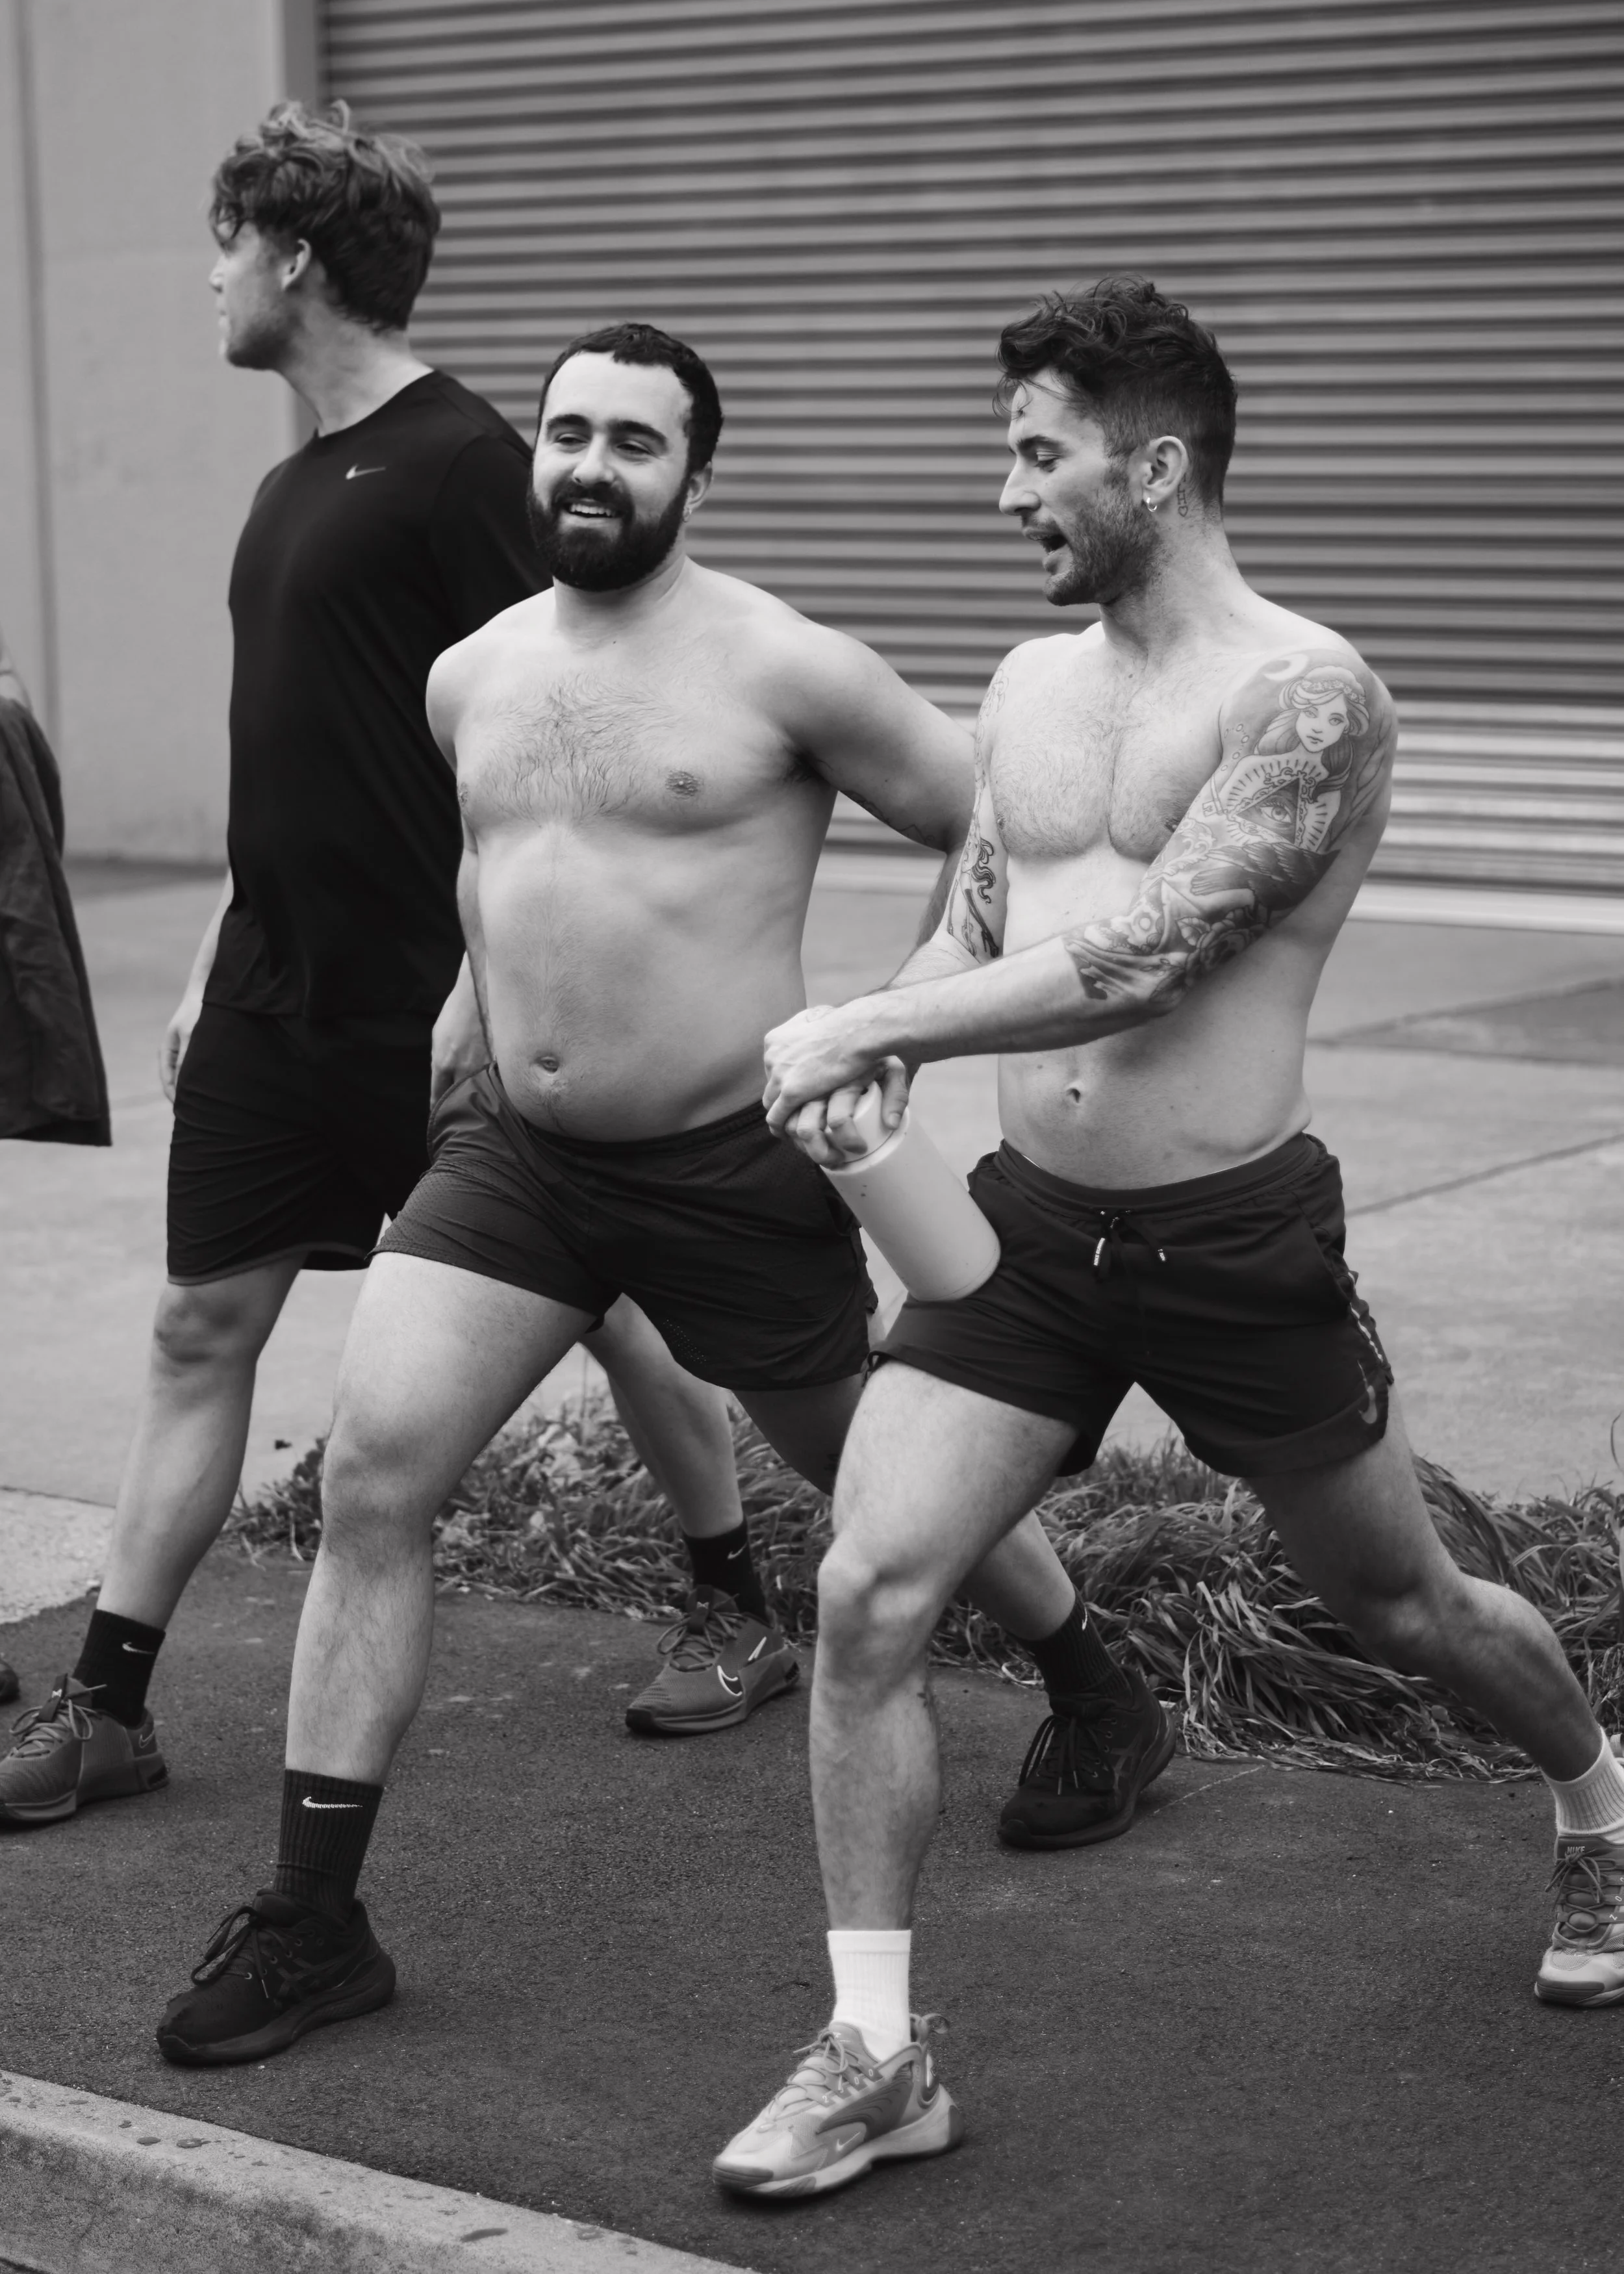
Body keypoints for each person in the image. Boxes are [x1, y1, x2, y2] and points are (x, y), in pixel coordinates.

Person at [717, 274, 1624, 2199]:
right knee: (868, 1590)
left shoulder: (1306, 693)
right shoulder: (1031, 685)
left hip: (1233, 1240)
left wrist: (867, 1023)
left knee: (1406, 1609)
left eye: (1034, 455)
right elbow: (984, 917)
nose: (1003, 496)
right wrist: (889, 1034)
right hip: (1029, 1237)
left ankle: (1594, 1792)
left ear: (1156, 463)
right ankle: (876, 2052)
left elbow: (1146, 952)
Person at [150, 320, 1147, 2068]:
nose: (588, 467)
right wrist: (473, 1003)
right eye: (566, 434)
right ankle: (315, 1915)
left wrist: (887, 1018)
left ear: (697, 470)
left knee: (885, 1476)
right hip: (512, 1169)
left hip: (727, 1165)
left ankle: (1093, 1684)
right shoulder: (470, 671)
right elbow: (505, 866)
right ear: (531, 451)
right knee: (374, 1471)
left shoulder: (786, 666)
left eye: (633, 441)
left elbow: (996, 829)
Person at [0, 103, 751, 1833]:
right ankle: (109, 1700)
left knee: (617, 1305)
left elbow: (556, 734)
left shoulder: (465, 464)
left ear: (297, 259)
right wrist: (211, 950)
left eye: (224, 243)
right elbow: (298, 751)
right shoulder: (289, 484)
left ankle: (733, 1592)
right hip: (278, 986)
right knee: (202, 1325)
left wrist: (484, 984)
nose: (206, 276)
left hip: (442, 998)